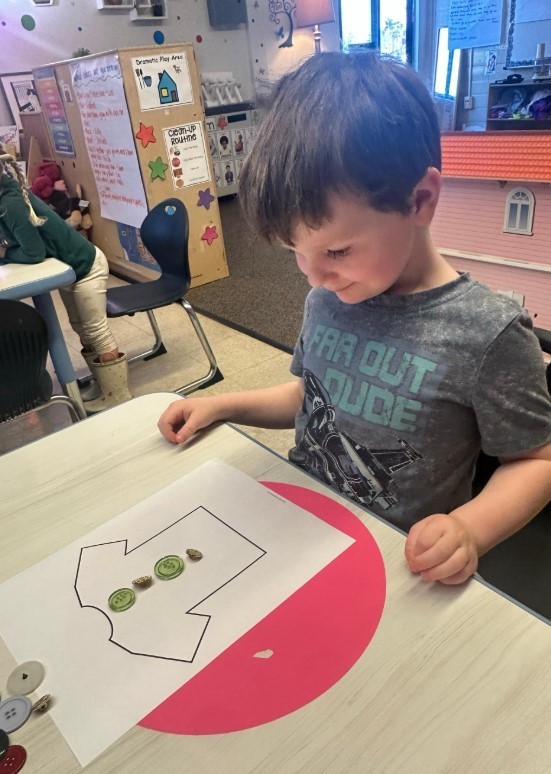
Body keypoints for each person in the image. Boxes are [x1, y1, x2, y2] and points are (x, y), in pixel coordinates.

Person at [158, 52, 551, 586]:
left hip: (396, 564)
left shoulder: (488, 332)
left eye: (337, 251)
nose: (314, 276)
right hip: (301, 527)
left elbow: (536, 462)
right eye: (296, 251)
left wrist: (469, 529)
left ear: (421, 199)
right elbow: (312, 395)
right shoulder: (328, 298)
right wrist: (223, 405)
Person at [0, 150, 131, 412]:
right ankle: (103, 383)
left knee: (95, 330)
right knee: (80, 327)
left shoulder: (9, 204)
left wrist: (5, 253)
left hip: (86, 266)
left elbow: (33, 252)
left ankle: (118, 393)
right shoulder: (6, 196)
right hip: (71, 267)